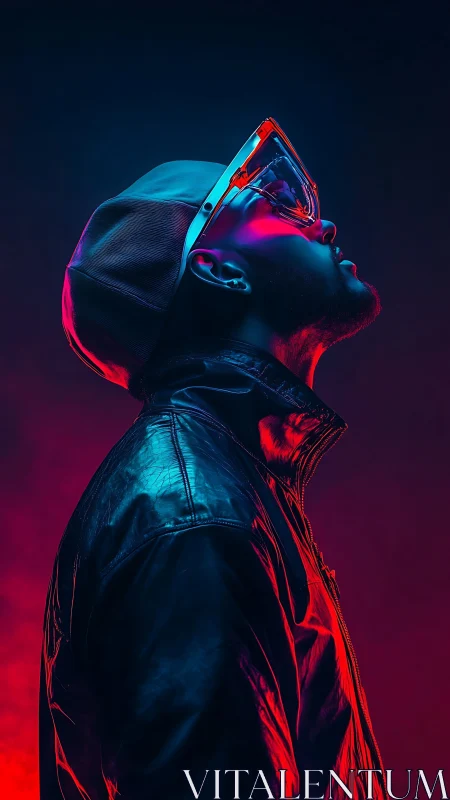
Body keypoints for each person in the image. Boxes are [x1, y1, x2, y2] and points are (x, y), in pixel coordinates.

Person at [40, 118, 384, 799]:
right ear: (217, 269)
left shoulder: (226, 491)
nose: (324, 225)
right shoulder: (194, 516)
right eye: (274, 206)